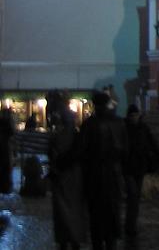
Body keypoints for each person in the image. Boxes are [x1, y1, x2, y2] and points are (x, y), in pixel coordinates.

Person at [80, 90, 128, 250]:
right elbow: (126, 150)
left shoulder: (89, 124)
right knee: (112, 214)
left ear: (95, 105)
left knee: (96, 218)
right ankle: (111, 243)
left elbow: (81, 151)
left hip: (95, 176)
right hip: (114, 175)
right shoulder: (119, 123)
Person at [49, 94, 86, 249]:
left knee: (64, 208)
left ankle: (66, 237)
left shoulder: (59, 134)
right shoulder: (74, 134)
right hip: (72, 174)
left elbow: (54, 151)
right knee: (73, 207)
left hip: (64, 174)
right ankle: (73, 237)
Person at [124, 104, 159, 239]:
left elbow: (152, 143)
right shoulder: (125, 128)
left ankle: (131, 225)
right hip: (128, 168)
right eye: (132, 115)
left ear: (139, 115)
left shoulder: (143, 128)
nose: (134, 117)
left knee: (135, 198)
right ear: (128, 116)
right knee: (133, 196)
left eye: (136, 115)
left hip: (139, 168)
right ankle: (130, 226)